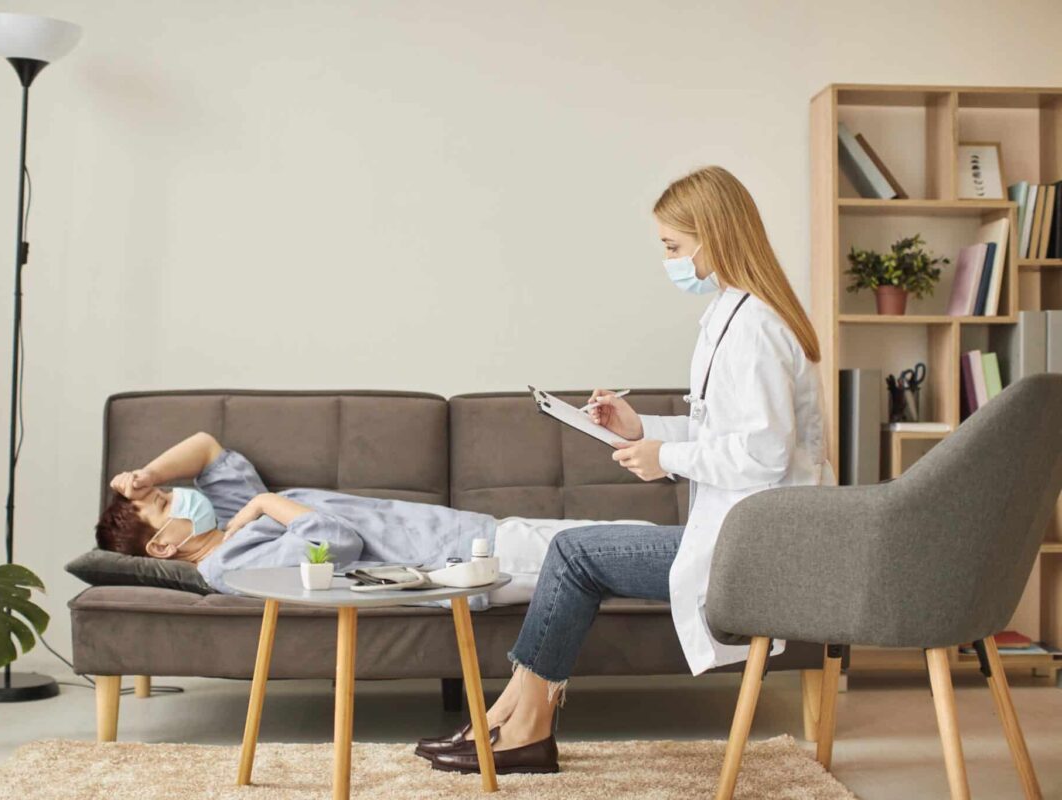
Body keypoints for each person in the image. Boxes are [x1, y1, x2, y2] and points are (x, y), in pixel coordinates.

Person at [418, 165, 833, 776]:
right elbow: (727, 432)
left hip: (753, 552)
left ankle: (520, 725)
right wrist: (642, 429)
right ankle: (511, 717)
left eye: (673, 246)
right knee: (574, 554)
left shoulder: (756, 329)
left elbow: (764, 454)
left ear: (714, 236)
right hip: (742, 535)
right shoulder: (734, 315)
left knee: (574, 554)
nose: (668, 261)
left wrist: (664, 458)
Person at [95, 431, 652, 609]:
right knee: (645, 555)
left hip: (479, 532)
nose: (180, 496)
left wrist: (145, 477)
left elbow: (205, 446)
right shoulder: (231, 562)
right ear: (162, 547)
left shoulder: (229, 519)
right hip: (463, 563)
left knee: (646, 547)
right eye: (165, 504)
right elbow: (333, 545)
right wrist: (264, 505)